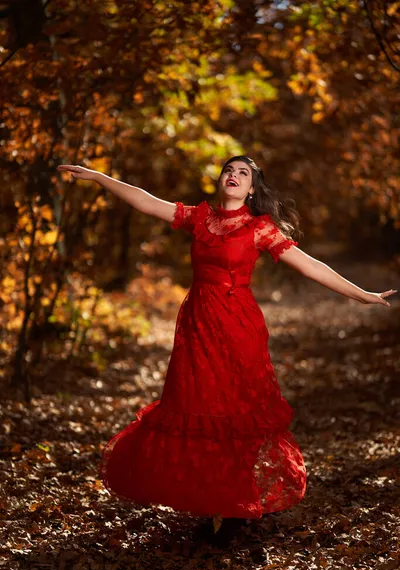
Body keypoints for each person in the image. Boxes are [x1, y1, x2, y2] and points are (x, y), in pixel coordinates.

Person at [57, 156, 397, 543]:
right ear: (220, 181)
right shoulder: (199, 218)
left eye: (243, 173)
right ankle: (214, 500)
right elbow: (145, 200)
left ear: (252, 188)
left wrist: (363, 295)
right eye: (228, 170)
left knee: (238, 410)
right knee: (200, 407)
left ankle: (239, 509)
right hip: (197, 327)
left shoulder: (260, 229)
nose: (233, 176)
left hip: (239, 328)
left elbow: (310, 265)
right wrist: (100, 177)